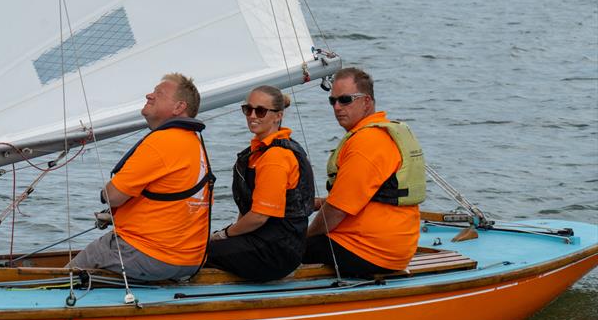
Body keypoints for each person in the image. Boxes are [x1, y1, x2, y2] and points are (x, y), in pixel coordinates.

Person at [68, 73, 213, 281]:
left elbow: (113, 196)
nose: (149, 95)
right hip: (189, 259)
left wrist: (107, 194)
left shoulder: (163, 141)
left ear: (179, 107)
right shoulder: (194, 143)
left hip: (153, 256)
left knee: (74, 271)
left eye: (159, 93)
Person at [303, 67, 426, 278]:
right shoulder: (381, 132)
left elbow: (336, 212)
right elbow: (363, 196)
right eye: (332, 101)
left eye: (345, 99)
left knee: (278, 248)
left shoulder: (366, 143)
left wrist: (305, 237)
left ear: (367, 101)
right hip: (395, 250)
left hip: (366, 252)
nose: (337, 107)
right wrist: (313, 203)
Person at [206, 85, 314, 281]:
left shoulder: (276, 157)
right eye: (248, 109)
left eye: (261, 111)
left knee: (196, 253)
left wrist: (224, 235)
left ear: (278, 116)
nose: (252, 116)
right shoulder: (259, 152)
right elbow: (249, 207)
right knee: (201, 246)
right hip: (267, 242)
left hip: (276, 252)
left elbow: (258, 217)